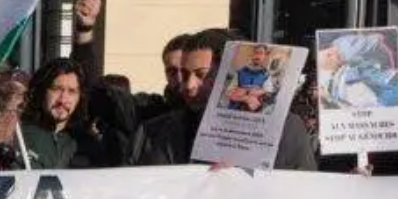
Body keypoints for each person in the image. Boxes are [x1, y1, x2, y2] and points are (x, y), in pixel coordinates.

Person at [128, 29, 318, 171]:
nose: (189, 85)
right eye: (185, 75)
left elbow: (300, 191)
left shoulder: (286, 128)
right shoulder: (167, 129)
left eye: (202, 75)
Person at [21, 58, 106, 170]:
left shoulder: (87, 145)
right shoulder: (18, 135)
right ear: (41, 91)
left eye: (72, 91)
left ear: (80, 97)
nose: (63, 100)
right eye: (56, 89)